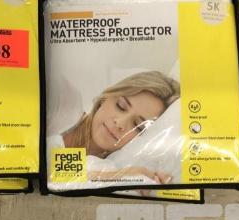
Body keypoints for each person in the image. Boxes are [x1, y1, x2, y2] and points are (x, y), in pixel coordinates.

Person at [49, 71, 180, 184]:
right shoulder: (63, 99)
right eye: (121, 106)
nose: (120, 123)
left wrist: (127, 175)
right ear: (106, 97)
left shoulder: (106, 166)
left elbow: (56, 169)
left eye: (137, 126)